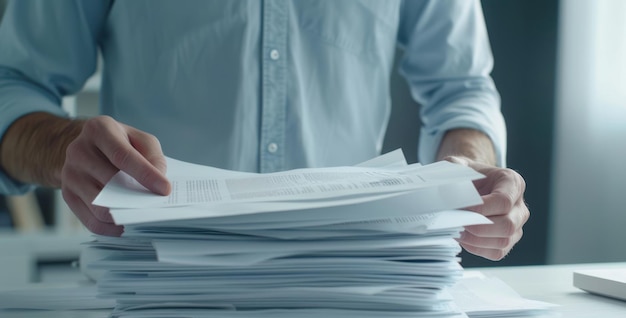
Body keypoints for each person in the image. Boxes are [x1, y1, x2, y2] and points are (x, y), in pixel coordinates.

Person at [0, 0, 528, 261]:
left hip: (358, 281)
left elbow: (461, 87)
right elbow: (12, 86)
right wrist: (65, 149)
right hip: (153, 281)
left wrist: (469, 165)